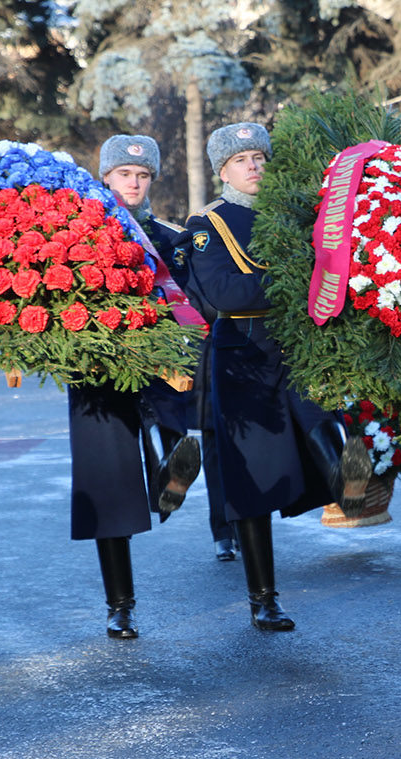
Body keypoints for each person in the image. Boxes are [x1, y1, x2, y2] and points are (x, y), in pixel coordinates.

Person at [185, 122, 372, 631]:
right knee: (252, 479)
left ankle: (353, 482)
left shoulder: (292, 217)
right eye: (243, 160)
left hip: (295, 347)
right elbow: (226, 294)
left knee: (325, 421)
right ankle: (262, 596)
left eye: (260, 158)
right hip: (242, 357)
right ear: (223, 169)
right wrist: (296, 280)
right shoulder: (207, 225)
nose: (254, 166)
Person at [98, 134, 203, 527]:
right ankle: (168, 471)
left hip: (158, 350)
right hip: (105, 351)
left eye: (143, 175)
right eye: (124, 173)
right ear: (106, 176)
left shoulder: (167, 236)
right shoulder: (86, 228)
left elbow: (187, 295)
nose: (134, 183)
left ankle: (170, 473)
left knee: (164, 398)